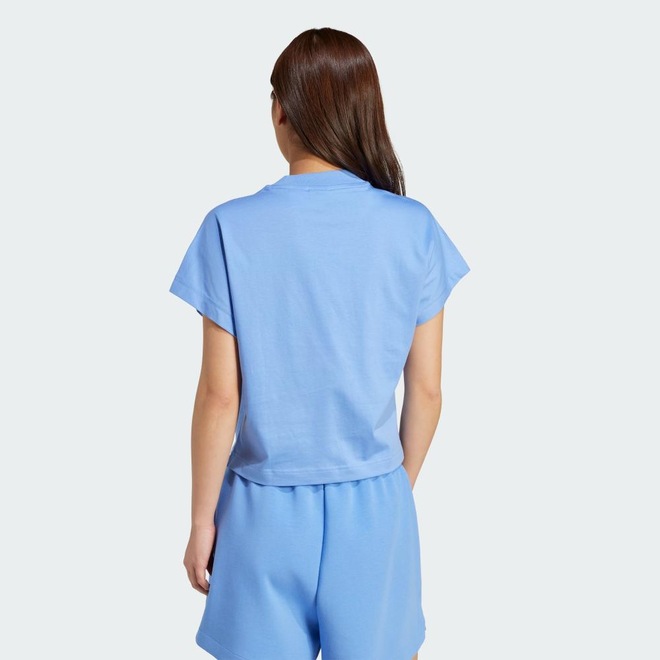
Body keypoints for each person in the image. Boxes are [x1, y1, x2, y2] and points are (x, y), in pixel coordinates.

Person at [169, 26, 470, 660]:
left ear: (281, 111)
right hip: (375, 505)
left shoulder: (229, 227)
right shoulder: (414, 228)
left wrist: (201, 521)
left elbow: (220, 397)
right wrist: (390, 493)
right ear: (365, 109)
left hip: (260, 513)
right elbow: (427, 391)